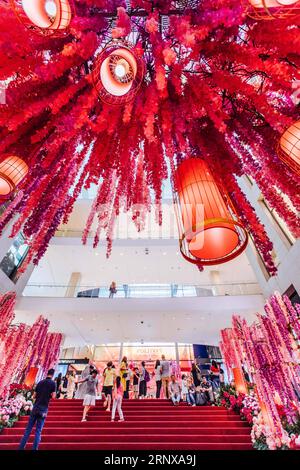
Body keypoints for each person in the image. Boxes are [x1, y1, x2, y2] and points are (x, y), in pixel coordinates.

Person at [19, 368, 56, 451]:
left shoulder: (40, 382)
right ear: (53, 374)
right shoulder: (53, 383)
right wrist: (48, 395)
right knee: (38, 431)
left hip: (35, 407)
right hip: (43, 409)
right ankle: (34, 449)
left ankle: (21, 447)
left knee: (28, 430)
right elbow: (53, 397)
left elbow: (34, 396)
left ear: (47, 373)